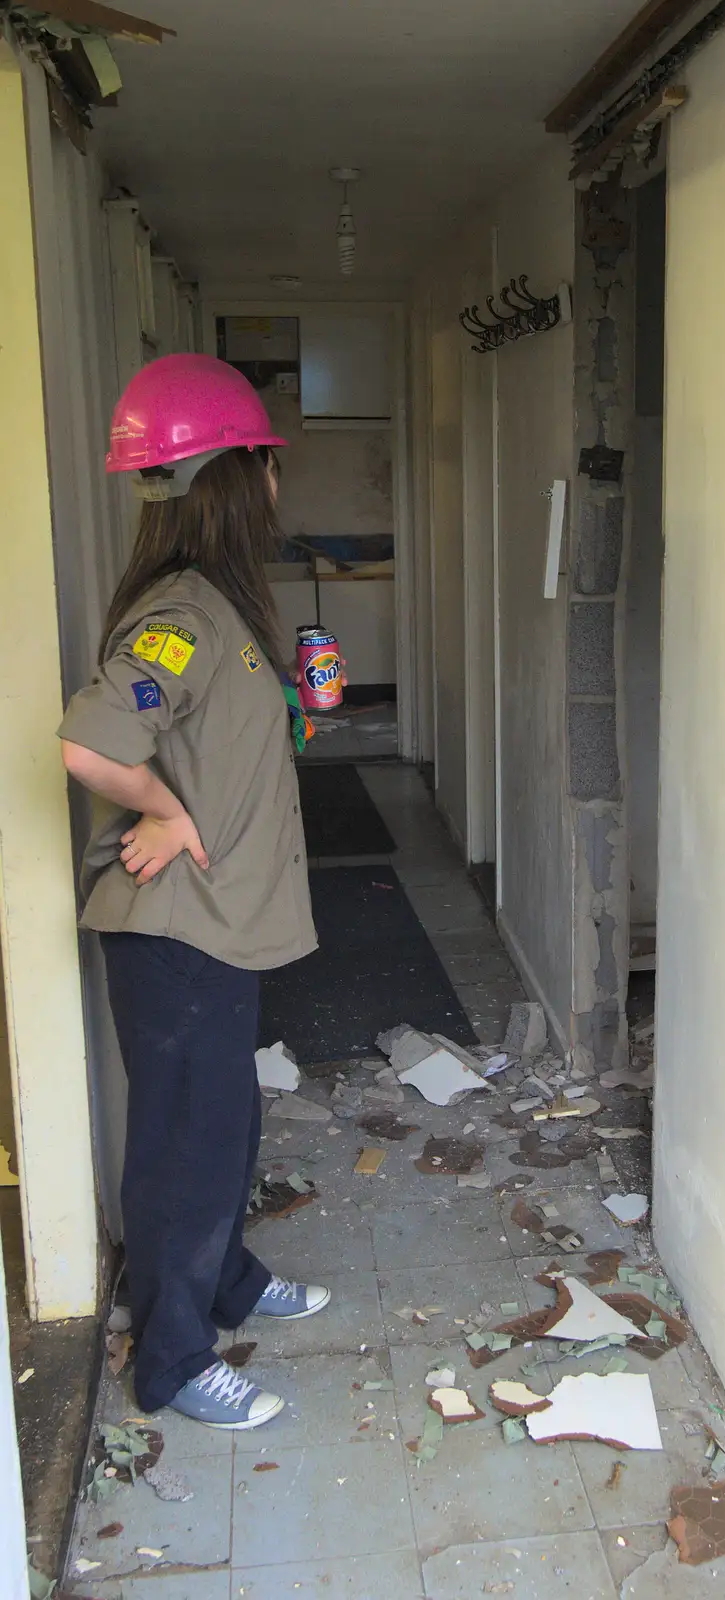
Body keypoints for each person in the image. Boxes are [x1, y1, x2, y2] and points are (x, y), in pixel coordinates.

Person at [59, 353, 327, 1431]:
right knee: (186, 1145)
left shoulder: (217, 606)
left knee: (221, 1127)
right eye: (267, 463)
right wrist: (167, 814)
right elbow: (91, 742)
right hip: (178, 939)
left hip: (219, 930)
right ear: (232, 479)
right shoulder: (183, 613)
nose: (275, 483)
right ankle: (170, 1359)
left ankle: (225, 1279)